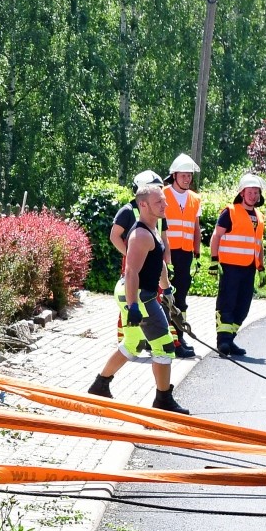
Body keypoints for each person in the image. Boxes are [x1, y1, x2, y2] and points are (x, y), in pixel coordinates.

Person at [88, 183, 188, 412]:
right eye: (158, 202)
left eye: (164, 200)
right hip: (139, 295)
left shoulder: (153, 228)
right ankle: (163, 400)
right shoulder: (141, 234)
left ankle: (100, 384)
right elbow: (131, 272)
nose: (165, 205)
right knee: (164, 346)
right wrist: (133, 306)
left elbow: (159, 263)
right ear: (143, 205)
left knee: (132, 343)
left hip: (137, 292)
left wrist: (168, 288)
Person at [109, 170, 192, 358]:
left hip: (156, 262)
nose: (162, 198)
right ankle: (143, 342)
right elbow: (114, 236)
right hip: (136, 264)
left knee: (159, 305)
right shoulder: (129, 210)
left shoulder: (158, 212)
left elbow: (163, 238)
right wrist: (130, 254)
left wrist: (166, 262)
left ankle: (166, 342)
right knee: (131, 306)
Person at [210, 173, 266, 357]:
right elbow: (216, 236)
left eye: (256, 192)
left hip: (249, 268)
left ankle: (230, 338)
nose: (254, 196)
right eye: (250, 192)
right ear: (242, 193)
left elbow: (258, 244)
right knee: (227, 303)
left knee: (243, 306)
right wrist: (213, 260)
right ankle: (223, 342)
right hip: (230, 267)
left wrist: (261, 268)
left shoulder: (259, 216)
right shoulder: (230, 212)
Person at [161, 154, 203, 356]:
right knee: (164, 297)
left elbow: (196, 227)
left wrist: (197, 252)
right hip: (165, 253)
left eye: (190, 175)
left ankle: (179, 336)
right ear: (174, 175)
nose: (187, 179)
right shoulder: (162, 195)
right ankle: (166, 339)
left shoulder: (195, 199)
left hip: (185, 255)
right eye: (184, 175)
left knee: (181, 298)